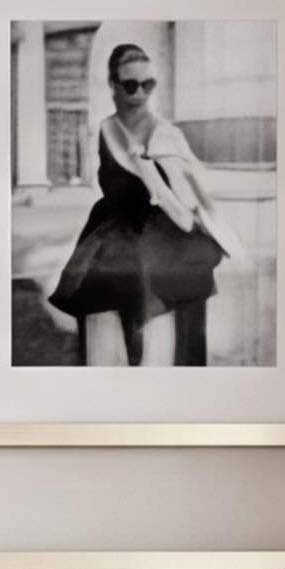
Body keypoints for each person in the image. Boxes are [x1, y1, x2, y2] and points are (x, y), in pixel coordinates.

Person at [46, 37, 225, 367]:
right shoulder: (104, 130)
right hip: (111, 236)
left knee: (161, 339)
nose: (140, 94)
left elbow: (190, 207)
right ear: (113, 85)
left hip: (165, 238)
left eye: (148, 84)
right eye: (130, 85)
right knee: (100, 312)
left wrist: (151, 175)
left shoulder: (167, 135)